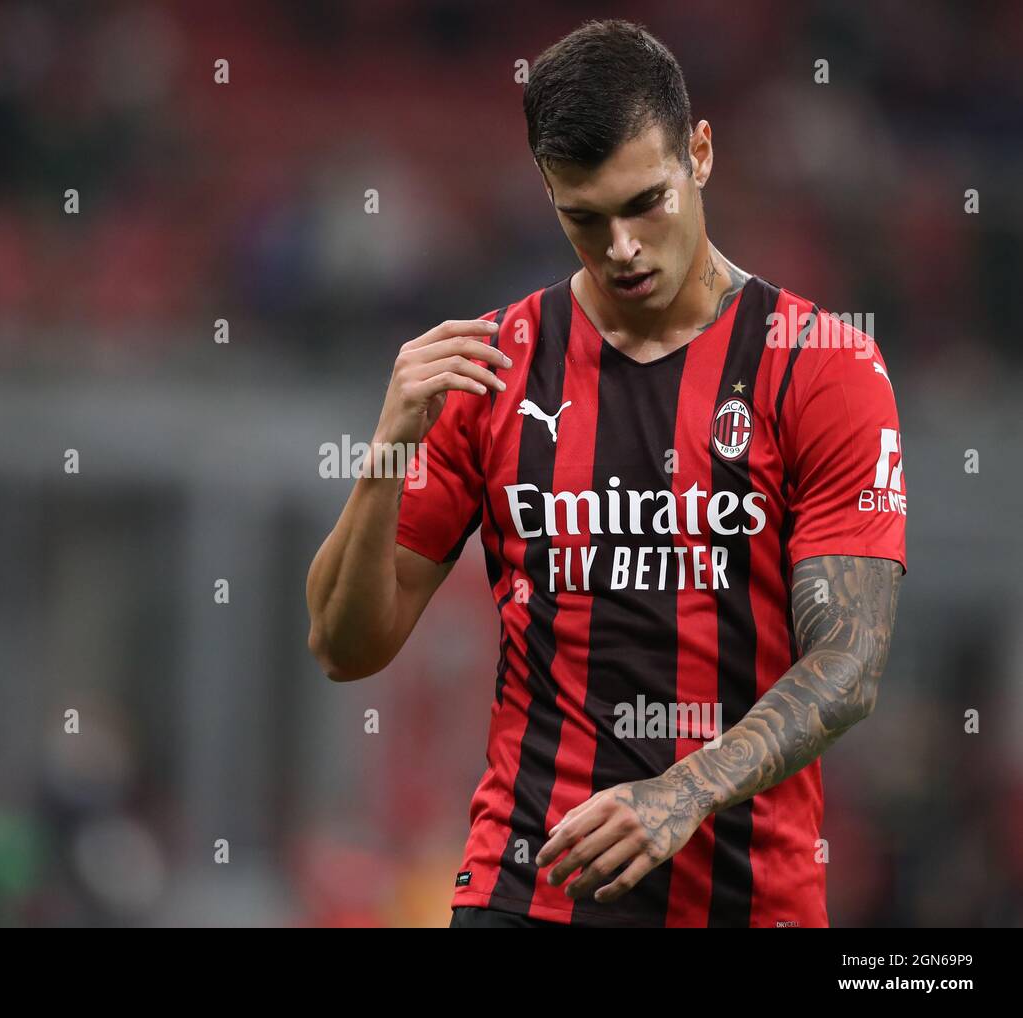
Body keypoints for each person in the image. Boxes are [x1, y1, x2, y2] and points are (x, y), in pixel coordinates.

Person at [305, 19, 906, 928]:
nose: (621, 246)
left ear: (699, 154)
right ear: (548, 194)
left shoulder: (822, 366)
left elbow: (851, 664)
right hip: (528, 891)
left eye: (646, 204)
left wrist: (682, 791)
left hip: (748, 899)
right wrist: (388, 446)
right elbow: (344, 647)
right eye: (584, 219)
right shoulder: (496, 368)